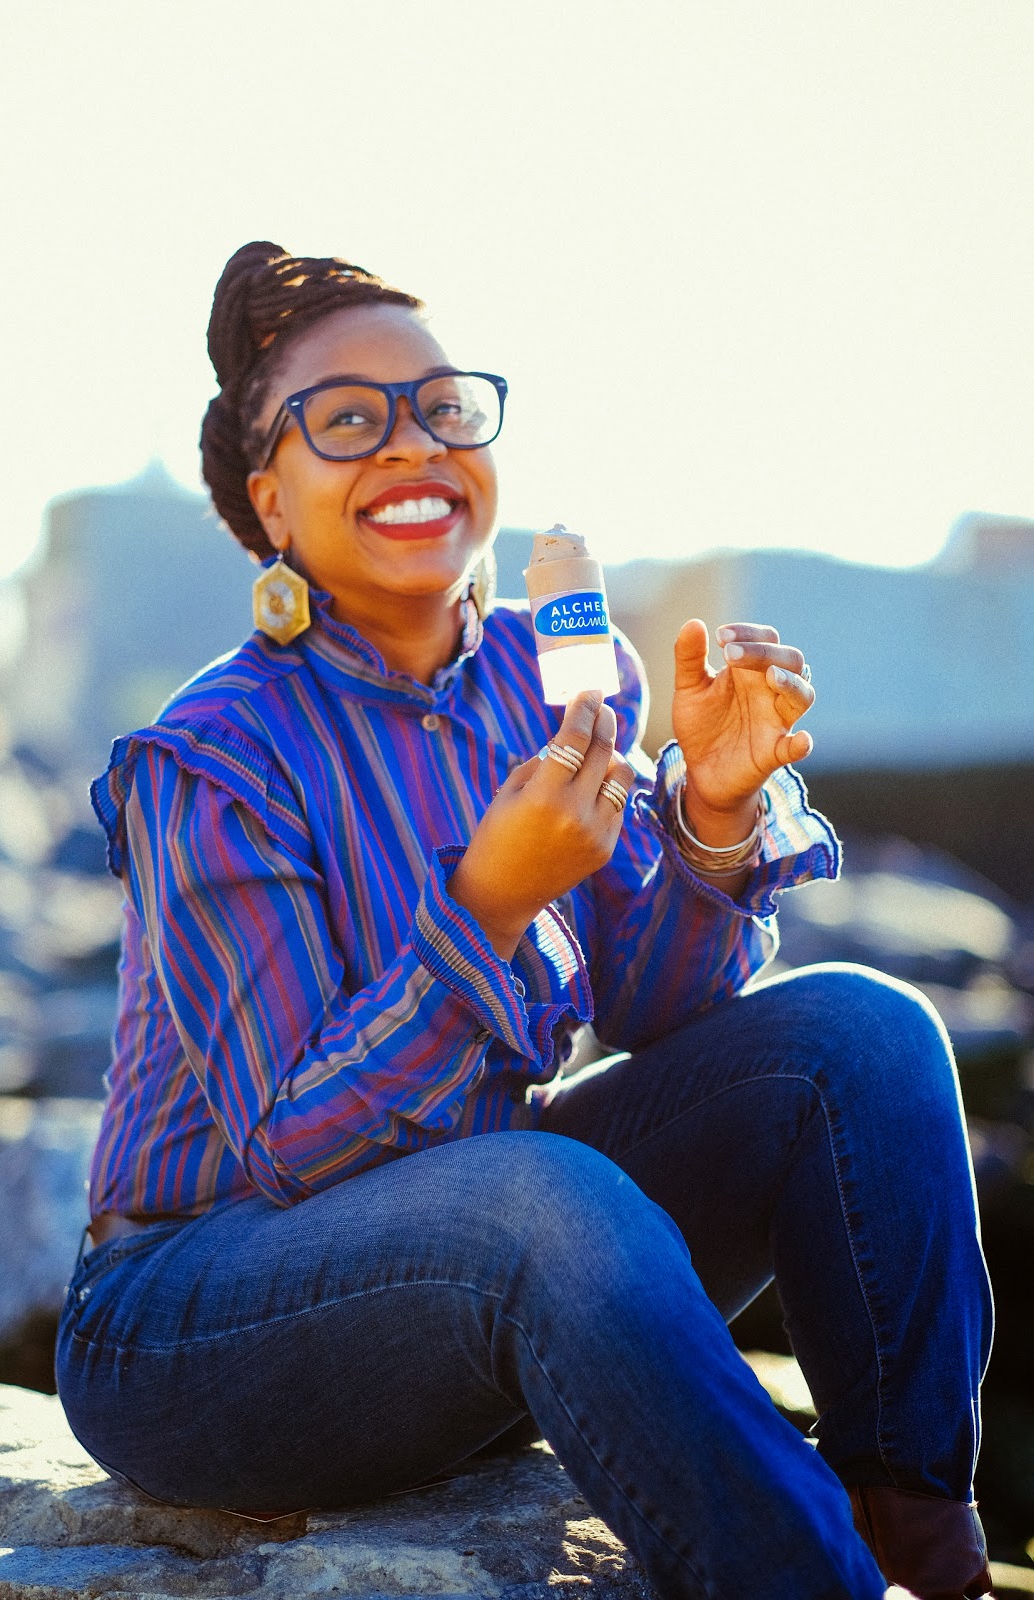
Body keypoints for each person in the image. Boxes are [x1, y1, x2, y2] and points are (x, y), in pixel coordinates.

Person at [55, 241, 993, 1600]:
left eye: (442, 406)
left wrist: (715, 811)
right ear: (270, 500)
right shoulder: (211, 756)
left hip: (478, 1279)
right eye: (347, 421)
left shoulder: (554, 678)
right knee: (540, 1194)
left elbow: (657, 1010)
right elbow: (288, 1146)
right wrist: (488, 902)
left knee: (863, 1033)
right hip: (194, 1319)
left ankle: (920, 1528)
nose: (411, 445)